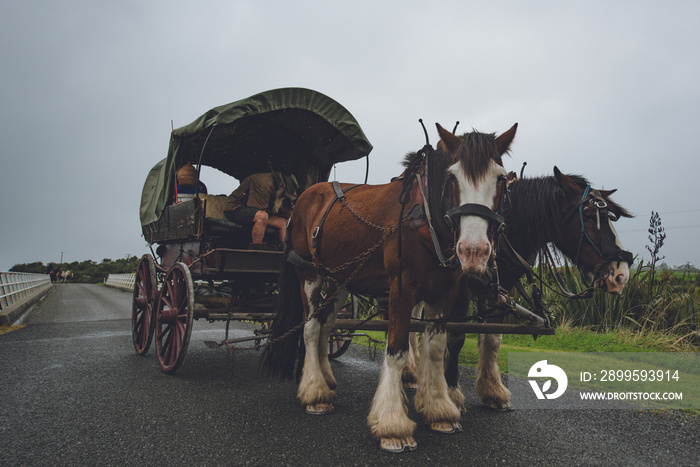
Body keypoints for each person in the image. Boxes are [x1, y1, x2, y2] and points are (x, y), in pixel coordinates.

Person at [223, 172, 298, 250]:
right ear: (282, 187)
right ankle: (256, 249)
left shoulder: (275, 186)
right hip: (235, 209)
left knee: (283, 222)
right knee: (262, 216)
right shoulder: (264, 184)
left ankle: (288, 252)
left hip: (254, 210)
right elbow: (257, 209)